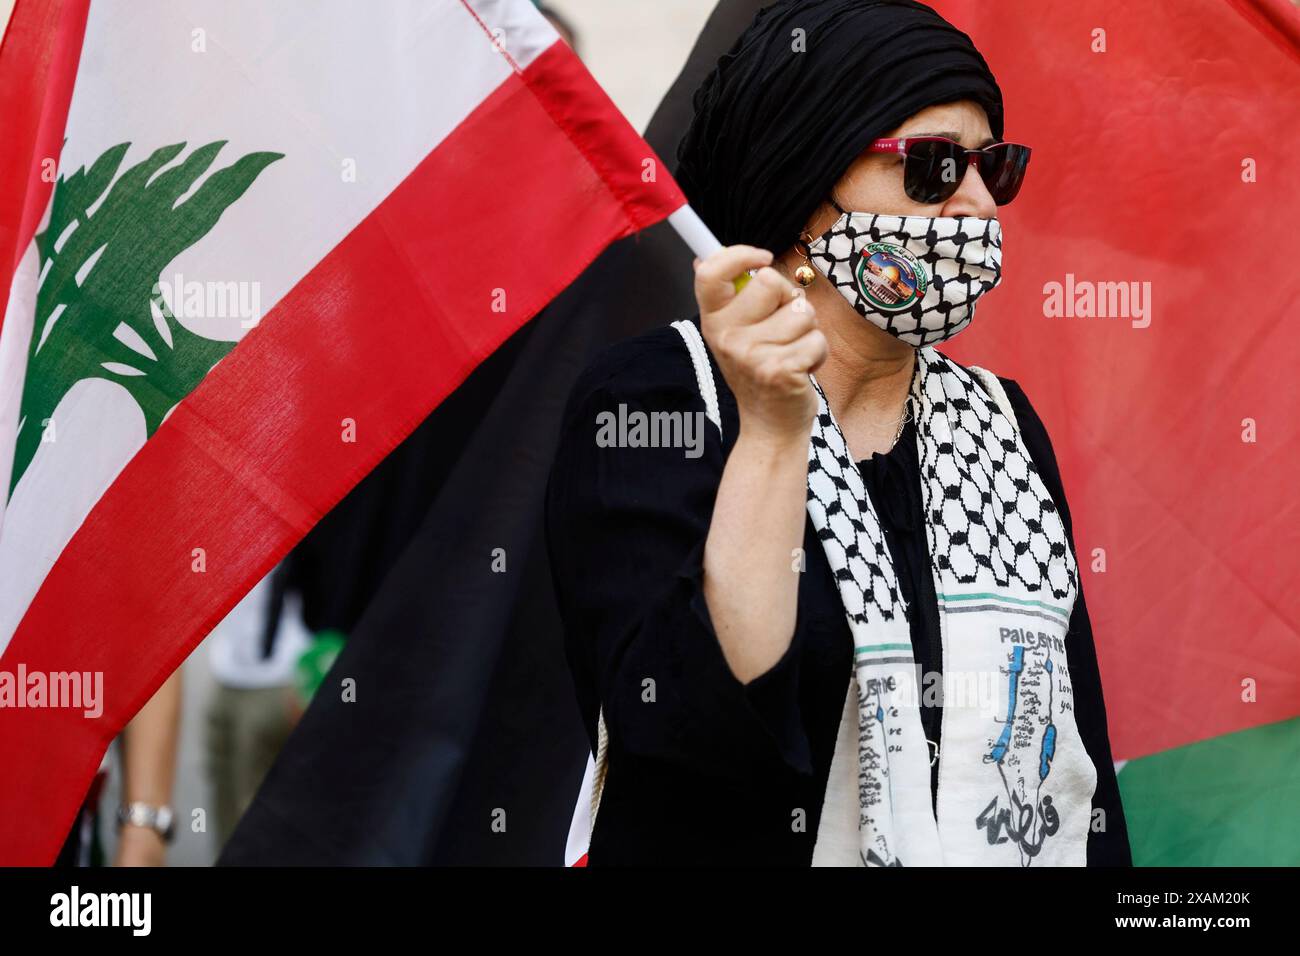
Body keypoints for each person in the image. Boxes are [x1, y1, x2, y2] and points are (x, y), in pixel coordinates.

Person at [545, 0, 1130, 866]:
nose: (978, 206)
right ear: (805, 187)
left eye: (993, 168)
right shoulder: (659, 398)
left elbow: (1081, 779)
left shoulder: (1002, 423)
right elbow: (686, 743)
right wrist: (777, 432)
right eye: (933, 168)